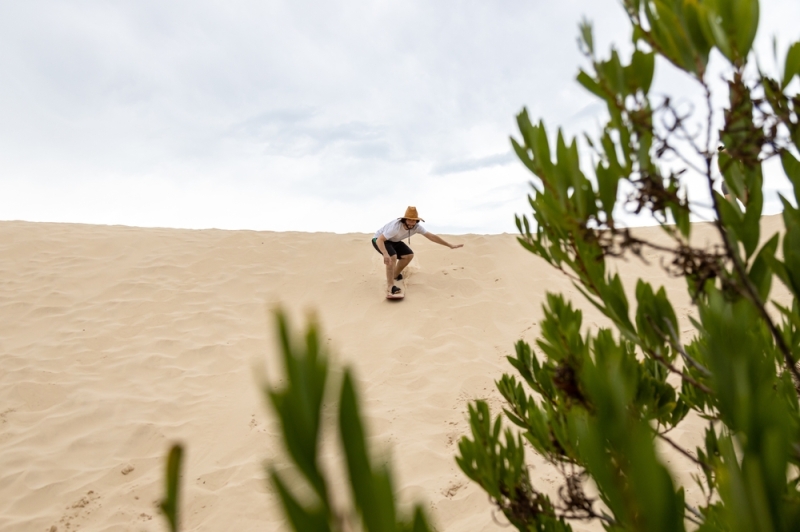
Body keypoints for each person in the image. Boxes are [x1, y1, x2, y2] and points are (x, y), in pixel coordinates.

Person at [372, 206, 463, 297]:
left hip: (393, 241)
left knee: (409, 255)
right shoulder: (395, 227)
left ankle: (394, 275)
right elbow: (380, 240)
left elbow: (431, 237)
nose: (412, 222)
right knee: (392, 256)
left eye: (414, 220)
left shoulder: (417, 227)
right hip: (379, 240)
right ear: (405, 220)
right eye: (410, 220)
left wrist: (449, 245)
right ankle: (390, 286)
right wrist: (385, 254)